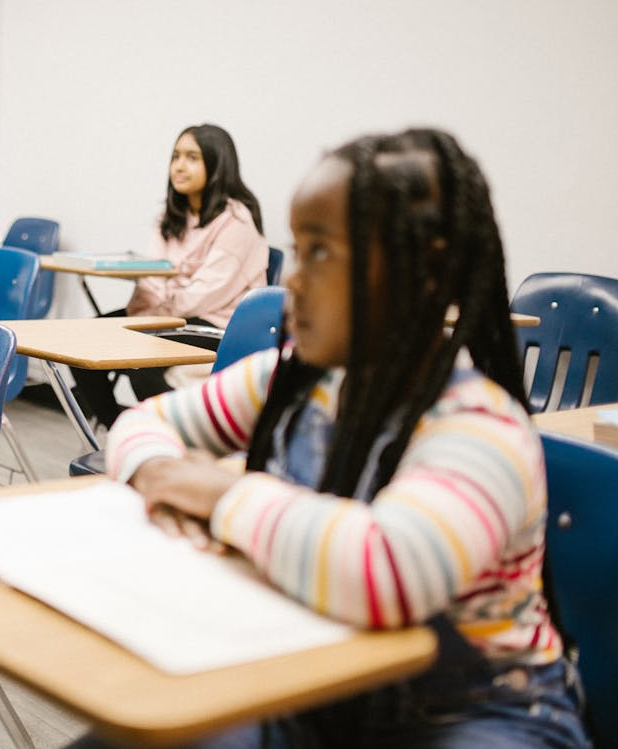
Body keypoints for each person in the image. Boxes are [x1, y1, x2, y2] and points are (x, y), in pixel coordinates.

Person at [72, 129, 589, 747]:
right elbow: (144, 423)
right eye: (298, 249)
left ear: (420, 272)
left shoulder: (480, 427)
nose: (291, 280)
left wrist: (220, 496)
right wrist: (156, 470)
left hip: (477, 716)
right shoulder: (295, 382)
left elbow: (388, 574)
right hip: (319, 686)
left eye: (321, 253)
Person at [74, 123, 269, 428]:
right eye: (175, 156)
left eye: (192, 157)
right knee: (83, 343)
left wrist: (153, 312)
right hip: (166, 314)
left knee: (141, 362)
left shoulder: (236, 221)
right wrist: (149, 311)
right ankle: (121, 431)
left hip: (214, 324)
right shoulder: (170, 216)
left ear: (217, 165)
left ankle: (182, 438)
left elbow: (205, 293)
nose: (179, 166)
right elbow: (152, 274)